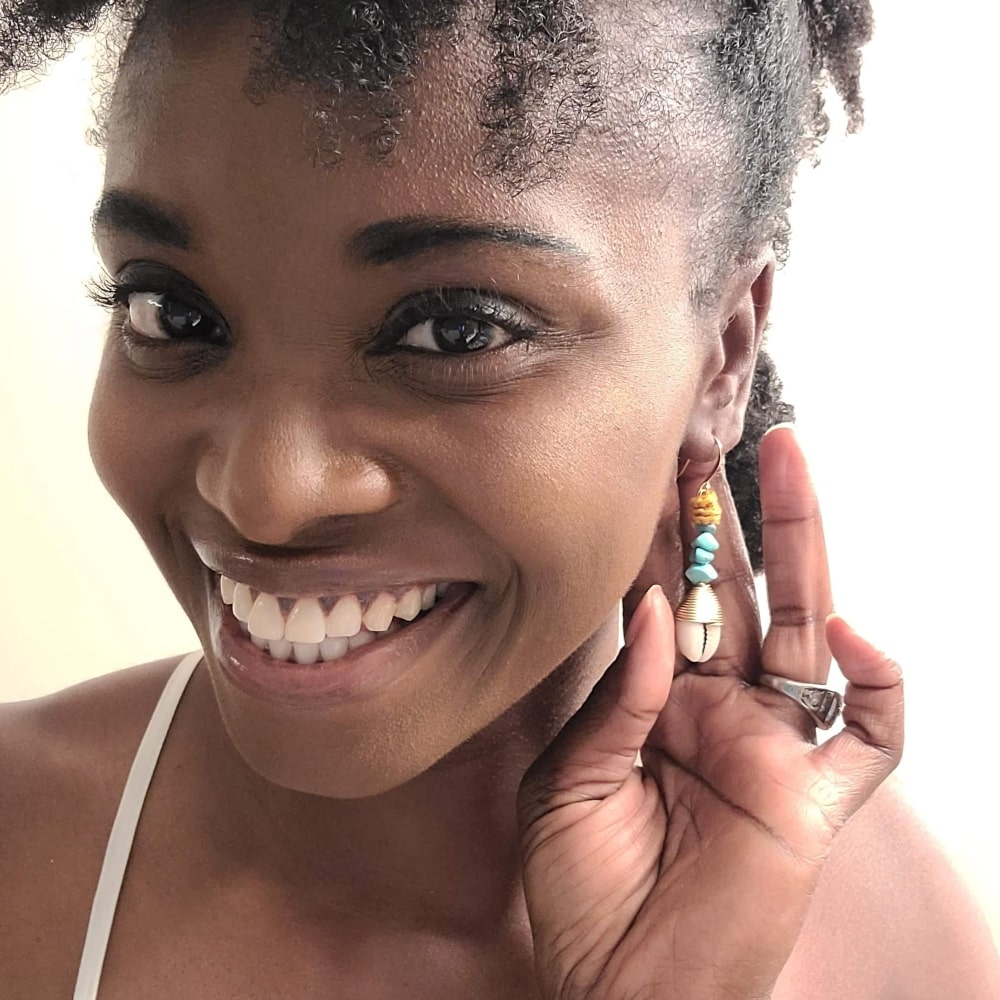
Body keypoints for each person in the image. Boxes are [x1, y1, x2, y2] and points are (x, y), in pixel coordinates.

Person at [0, 0, 996, 997]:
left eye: (455, 331)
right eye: (172, 309)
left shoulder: (901, 956)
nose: (266, 496)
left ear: (721, 361)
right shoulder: (21, 831)